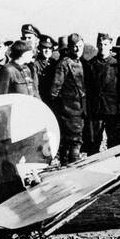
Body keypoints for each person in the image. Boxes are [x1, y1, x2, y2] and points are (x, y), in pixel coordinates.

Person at [48, 34, 88, 163]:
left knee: (73, 141)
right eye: (74, 47)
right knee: (73, 142)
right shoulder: (64, 64)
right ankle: (70, 168)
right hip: (69, 110)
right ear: (70, 47)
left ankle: (69, 166)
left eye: (80, 46)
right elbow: (54, 90)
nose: (78, 49)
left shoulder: (80, 62)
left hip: (79, 109)